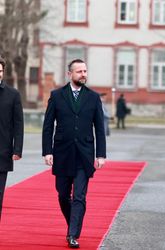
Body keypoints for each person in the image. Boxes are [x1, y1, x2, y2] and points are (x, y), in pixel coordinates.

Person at [42, 59, 106, 248]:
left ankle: (73, 234)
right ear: (70, 74)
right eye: (79, 71)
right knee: (63, 194)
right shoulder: (57, 95)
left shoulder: (93, 97)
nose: (83, 74)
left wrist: (100, 154)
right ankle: (73, 222)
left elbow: (99, 128)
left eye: (85, 71)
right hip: (62, 153)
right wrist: (47, 151)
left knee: (79, 196)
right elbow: (47, 126)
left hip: (84, 154)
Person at [0, 57, 24, 221]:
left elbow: (18, 124)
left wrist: (17, 149)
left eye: (0, 70)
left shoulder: (13, 95)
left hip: (2, 152)